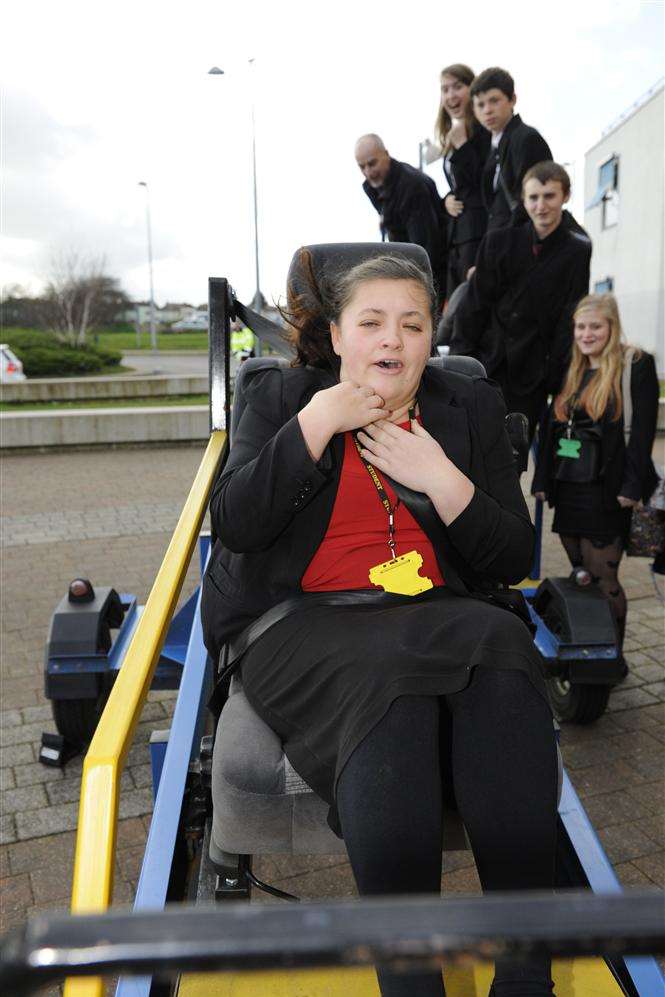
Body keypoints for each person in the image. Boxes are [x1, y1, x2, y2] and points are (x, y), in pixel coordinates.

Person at [202, 248, 558, 997]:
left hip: (440, 609)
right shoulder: (280, 398)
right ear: (336, 335)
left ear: (432, 338)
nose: (391, 340)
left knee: (501, 644)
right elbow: (234, 525)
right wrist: (316, 422)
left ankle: (526, 971)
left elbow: (510, 559)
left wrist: (442, 479)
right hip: (300, 621)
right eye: (371, 322)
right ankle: (410, 981)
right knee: (388, 684)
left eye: (411, 323)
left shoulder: (467, 407)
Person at [533, 293, 659, 646]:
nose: (587, 334)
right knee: (581, 575)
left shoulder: (634, 364)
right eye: (581, 327)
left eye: (595, 327)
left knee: (605, 579)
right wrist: (542, 480)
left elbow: (643, 432)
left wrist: (632, 487)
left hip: (608, 491)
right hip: (569, 488)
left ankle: (611, 656)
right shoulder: (572, 369)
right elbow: (552, 429)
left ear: (611, 327)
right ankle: (590, 644)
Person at [450, 161, 591, 441]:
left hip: (532, 374)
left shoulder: (578, 250)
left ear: (566, 196)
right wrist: (462, 361)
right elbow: (474, 306)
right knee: (475, 451)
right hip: (488, 363)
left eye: (549, 196)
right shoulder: (498, 241)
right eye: (533, 198)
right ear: (523, 200)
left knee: (516, 454)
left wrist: (556, 376)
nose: (541, 206)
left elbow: (570, 315)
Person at [355, 134, 446, 302]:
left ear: (386, 154)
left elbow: (426, 249)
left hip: (431, 273)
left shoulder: (412, 187)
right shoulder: (370, 186)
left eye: (372, 163)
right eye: (362, 167)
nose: (368, 172)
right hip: (405, 263)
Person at [470, 67, 552, 232]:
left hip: (519, 242)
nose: (487, 110)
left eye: (494, 100)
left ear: (512, 99)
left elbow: (534, 201)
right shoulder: (493, 147)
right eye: (480, 104)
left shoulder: (526, 139)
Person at [435, 63, 491, 296]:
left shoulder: (484, 130)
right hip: (456, 239)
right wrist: (447, 198)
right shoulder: (454, 133)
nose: (451, 95)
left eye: (457, 87)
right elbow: (460, 185)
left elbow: (485, 181)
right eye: (445, 89)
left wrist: (462, 147)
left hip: (477, 237)